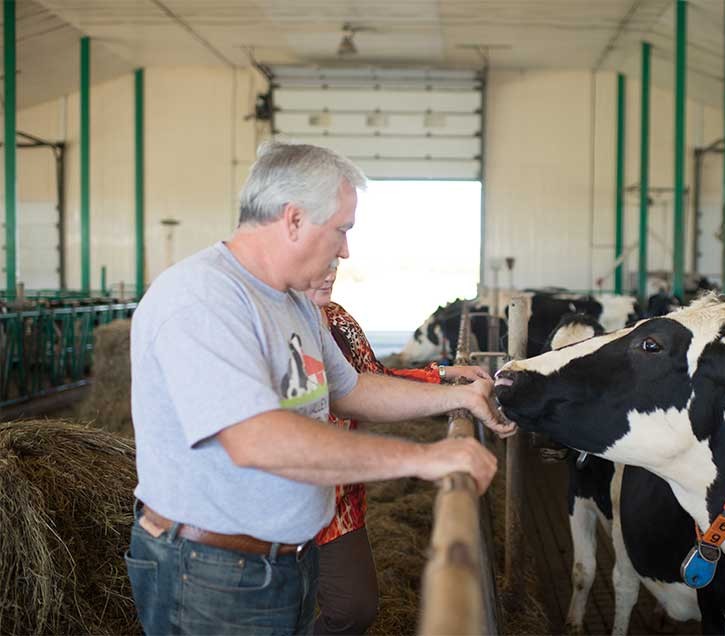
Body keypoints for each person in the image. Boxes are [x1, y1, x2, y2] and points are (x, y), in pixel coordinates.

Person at [125, 141, 515, 636]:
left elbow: (350, 390)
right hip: (211, 571)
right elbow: (256, 439)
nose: (346, 249)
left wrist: (456, 397)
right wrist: (424, 459)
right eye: (342, 230)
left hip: (289, 557)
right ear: (292, 220)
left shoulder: (297, 303)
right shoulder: (204, 298)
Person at [305, 263, 490, 635]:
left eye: (335, 263)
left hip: (338, 499)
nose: (332, 270)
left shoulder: (337, 320)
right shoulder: (260, 323)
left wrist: (445, 377)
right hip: (272, 497)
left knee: (355, 607)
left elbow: (369, 382)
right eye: (321, 259)